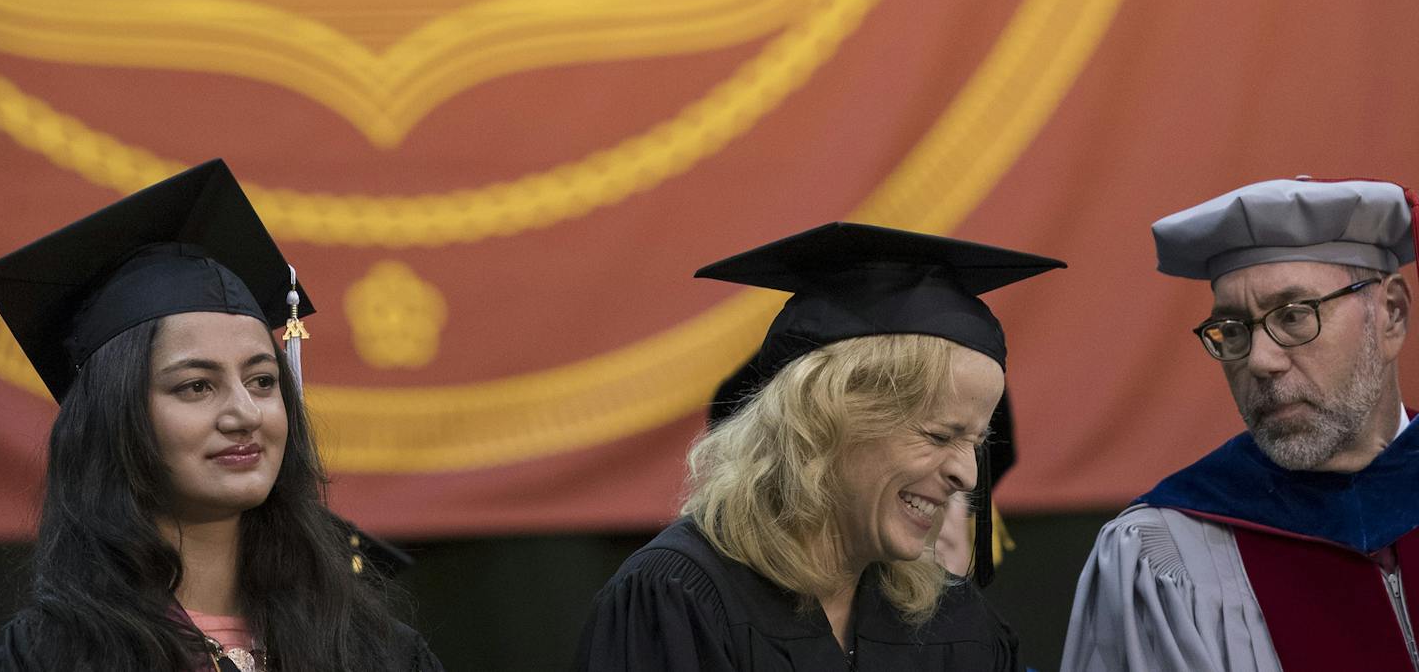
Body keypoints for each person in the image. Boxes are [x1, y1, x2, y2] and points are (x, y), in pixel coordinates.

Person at [0, 159, 443, 672]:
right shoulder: (52, 657)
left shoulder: (374, 652)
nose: (243, 413)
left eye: (262, 381)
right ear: (115, 422)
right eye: (196, 386)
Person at [574, 219, 1064, 669]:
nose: (969, 475)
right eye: (939, 435)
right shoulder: (680, 601)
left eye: (975, 442)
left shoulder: (953, 622)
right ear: (825, 420)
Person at [1061, 175, 1419, 672]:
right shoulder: (1164, 554)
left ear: (1392, 315)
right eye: (1231, 330)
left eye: (1294, 316)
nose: (1260, 361)